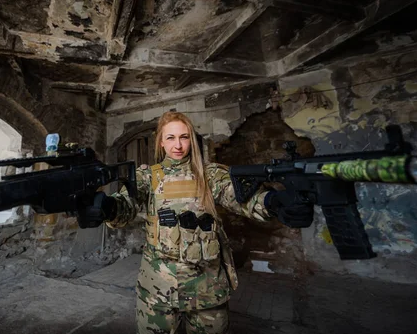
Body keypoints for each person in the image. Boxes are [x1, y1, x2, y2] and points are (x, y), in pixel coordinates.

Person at [94, 111, 314, 334]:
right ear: (161, 141)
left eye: (184, 137)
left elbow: (238, 196)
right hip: (159, 289)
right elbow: (125, 205)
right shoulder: (147, 177)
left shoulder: (209, 174)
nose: (178, 145)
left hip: (207, 287)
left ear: (192, 139)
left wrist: (272, 202)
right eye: (170, 138)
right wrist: (107, 208)